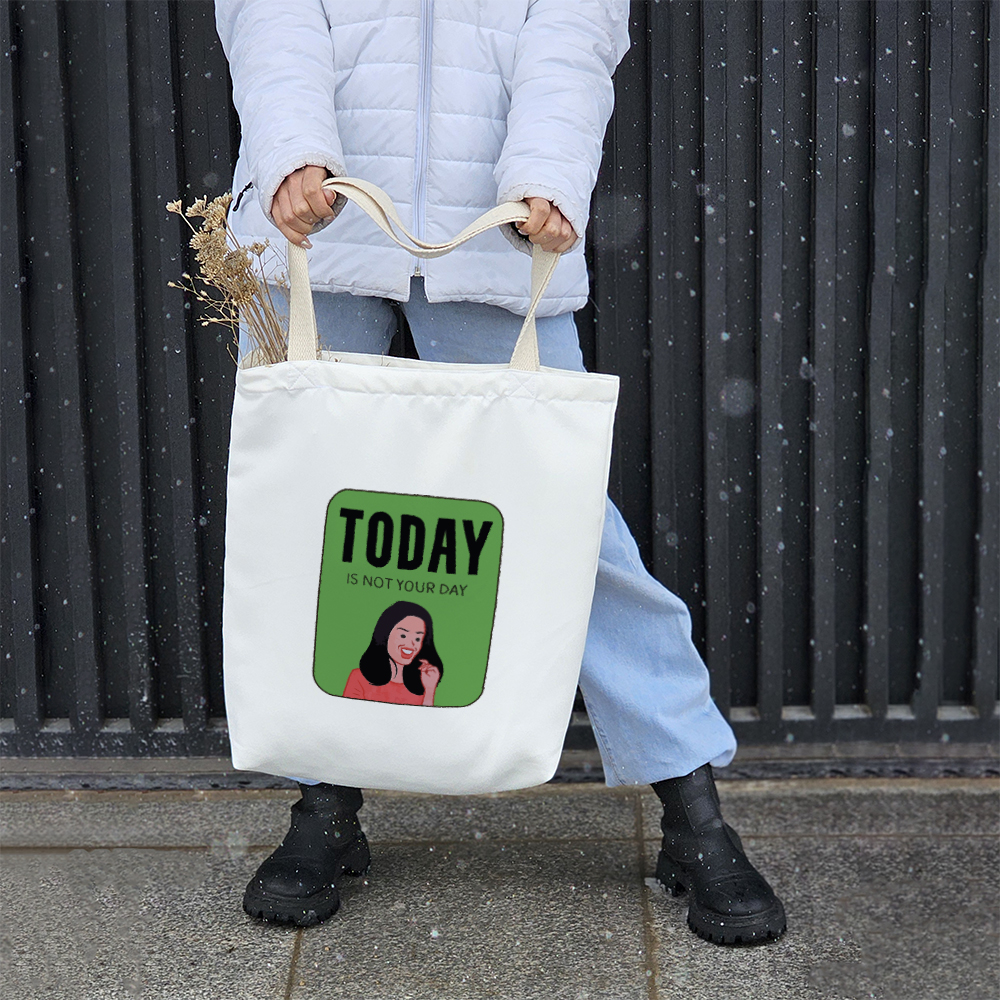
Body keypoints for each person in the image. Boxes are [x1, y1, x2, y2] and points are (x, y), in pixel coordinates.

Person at [218, 0, 786, 945]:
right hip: (316, 230)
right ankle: (323, 804)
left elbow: (573, 27)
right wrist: (291, 153)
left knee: (569, 531)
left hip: (494, 233)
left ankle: (693, 812)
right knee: (310, 528)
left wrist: (548, 174)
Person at [342, 602, 444, 707]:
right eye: (403, 635)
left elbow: (424, 717)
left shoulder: (422, 684)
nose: (411, 644)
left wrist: (430, 689)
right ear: (385, 635)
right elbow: (349, 713)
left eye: (417, 639)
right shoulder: (359, 678)